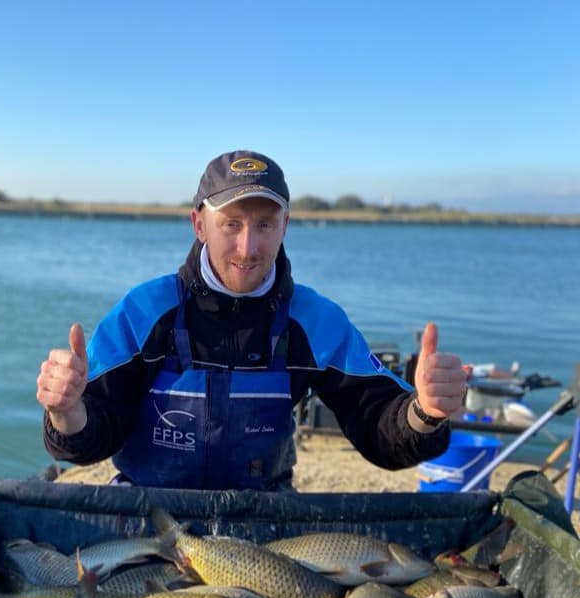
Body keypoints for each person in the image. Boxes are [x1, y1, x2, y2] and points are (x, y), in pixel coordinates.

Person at [37, 150, 467, 490]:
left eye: (264, 224)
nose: (248, 248)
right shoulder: (145, 312)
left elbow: (378, 428)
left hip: (264, 512)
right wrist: (67, 412)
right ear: (199, 225)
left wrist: (425, 413)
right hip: (151, 511)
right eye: (231, 224)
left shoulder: (315, 321)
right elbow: (89, 435)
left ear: (285, 226)